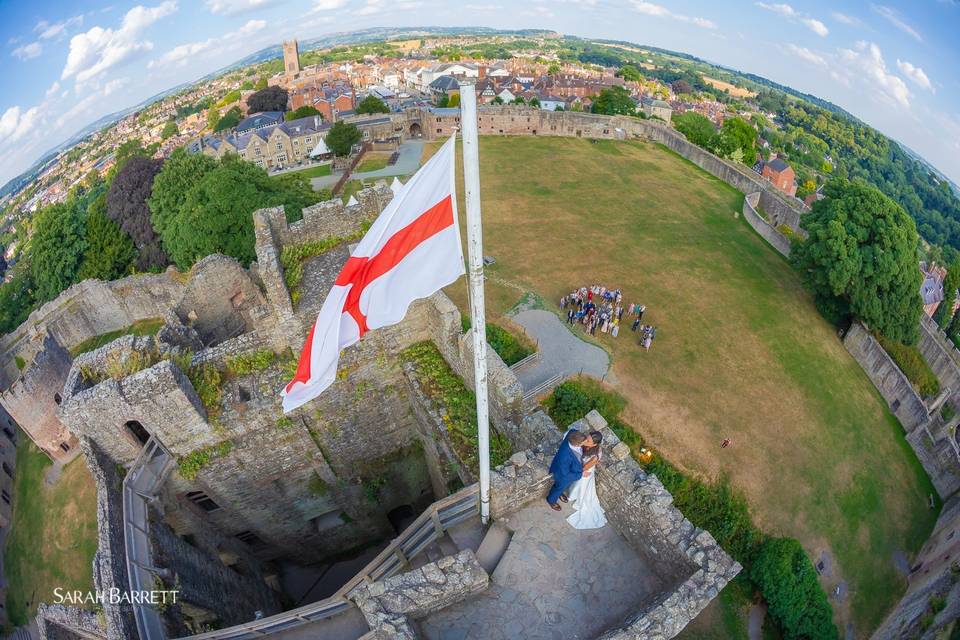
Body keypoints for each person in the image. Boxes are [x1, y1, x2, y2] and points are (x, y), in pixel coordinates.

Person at [566, 430, 607, 529]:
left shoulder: (595, 456)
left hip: (585, 472)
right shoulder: (585, 442)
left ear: (595, 444)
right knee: (575, 484)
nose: (585, 442)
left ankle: (578, 498)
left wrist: (576, 469)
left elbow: (584, 468)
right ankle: (572, 495)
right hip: (580, 468)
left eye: (588, 442)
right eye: (586, 439)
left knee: (581, 484)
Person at [547, 430, 588, 511]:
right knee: (559, 487)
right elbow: (565, 474)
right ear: (577, 444)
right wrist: (580, 474)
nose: (586, 442)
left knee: (562, 487)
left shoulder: (572, 433)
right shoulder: (565, 456)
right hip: (562, 475)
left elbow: (571, 430)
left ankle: (560, 493)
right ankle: (551, 500)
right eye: (584, 442)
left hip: (568, 469)